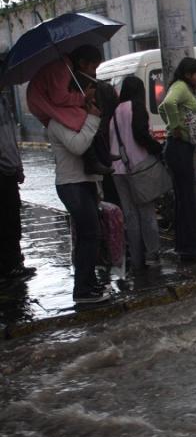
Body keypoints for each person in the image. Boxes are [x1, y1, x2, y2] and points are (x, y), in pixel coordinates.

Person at [48, 81, 109, 304]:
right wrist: (92, 119)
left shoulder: (78, 118)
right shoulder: (58, 121)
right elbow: (78, 146)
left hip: (85, 182)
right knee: (89, 235)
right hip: (71, 184)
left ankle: (89, 282)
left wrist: (97, 185)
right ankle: (82, 290)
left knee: (91, 235)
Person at [27, 45, 114, 175]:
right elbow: (59, 98)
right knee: (81, 118)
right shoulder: (62, 69)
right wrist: (83, 98)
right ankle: (92, 162)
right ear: (82, 63)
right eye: (93, 67)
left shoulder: (66, 67)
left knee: (83, 116)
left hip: (43, 100)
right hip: (42, 102)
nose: (93, 72)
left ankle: (102, 153)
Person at [109, 76, 163, 271]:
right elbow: (140, 134)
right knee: (147, 212)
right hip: (138, 168)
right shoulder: (136, 107)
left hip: (118, 170)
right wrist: (158, 149)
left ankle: (137, 259)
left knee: (130, 215)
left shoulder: (115, 111)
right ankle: (152, 255)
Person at [158, 57, 196, 263]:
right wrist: (175, 127)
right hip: (179, 148)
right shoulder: (181, 87)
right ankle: (189, 250)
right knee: (187, 200)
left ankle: (185, 247)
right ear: (187, 75)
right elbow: (168, 104)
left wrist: (172, 124)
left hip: (180, 148)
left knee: (183, 199)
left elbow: (162, 108)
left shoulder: (181, 88)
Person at [0, 90, 35, 280]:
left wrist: (18, 166)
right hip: (2, 171)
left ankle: (15, 262)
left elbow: (11, 139)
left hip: (10, 170)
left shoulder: (4, 102)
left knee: (13, 219)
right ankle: (9, 265)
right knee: (6, 221)